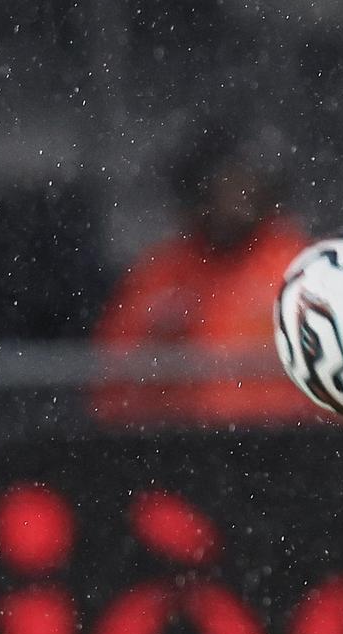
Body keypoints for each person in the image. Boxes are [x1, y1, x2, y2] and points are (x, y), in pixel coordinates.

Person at [92, 127, 315, 428]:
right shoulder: (159, 275)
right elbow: (111, 385)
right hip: (178, 448)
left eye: (243, 186)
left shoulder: (302, 270)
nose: (233, 202)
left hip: (286, 446)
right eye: (221, 187)